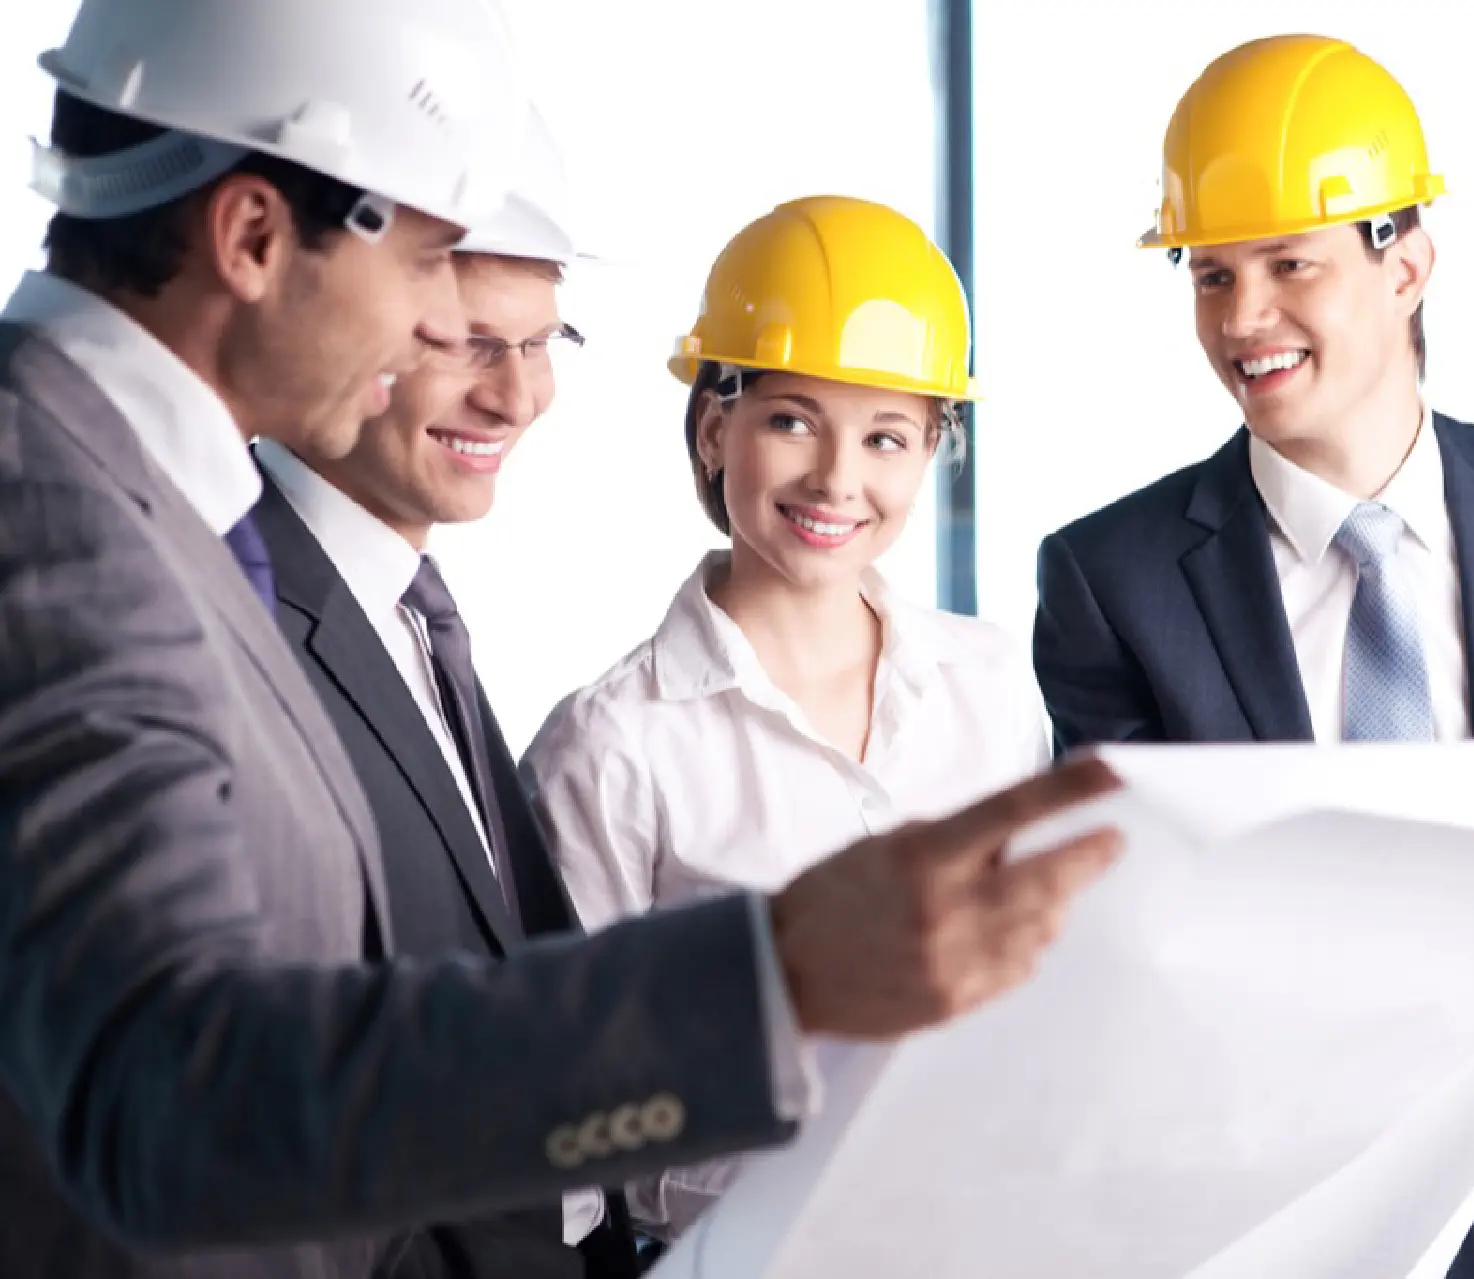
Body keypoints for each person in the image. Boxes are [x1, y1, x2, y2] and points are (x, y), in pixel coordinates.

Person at [0, 4, 1121, 1277]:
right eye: (431, 267)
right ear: (253, 235)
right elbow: (175, 1101)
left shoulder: (148, 506)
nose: (444, 334)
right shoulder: (49, 511)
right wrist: (777, 979)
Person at [1030, 34, 1474, 1279]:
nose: (1241, 320)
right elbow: (1128, 925)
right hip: (1284, 1206)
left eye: (1288, 266)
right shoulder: (1114, 577)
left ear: (1407, 264)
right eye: (1209, 276)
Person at [521, 194, 1054, 1241]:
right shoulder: (615, 743)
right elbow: (564, 1106)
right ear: (717, 429)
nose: (837, 479)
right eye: (792, 419)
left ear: (934, 450)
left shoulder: (988, 686)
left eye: (888, 436)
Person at [249, 107, 645, 1278]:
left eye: (545, 342)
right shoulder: (236, 616)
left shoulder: (408, 613)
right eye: (468, 341)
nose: (517, 397)